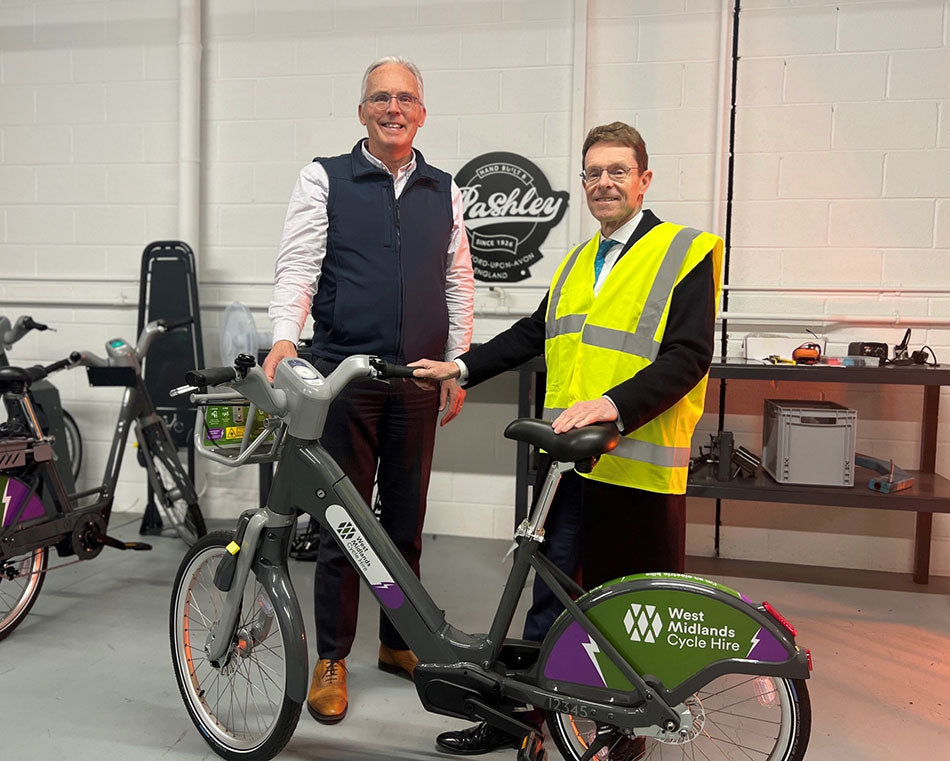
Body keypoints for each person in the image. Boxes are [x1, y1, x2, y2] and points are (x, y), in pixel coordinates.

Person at [410, 121, 723, 754]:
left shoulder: (686, 251)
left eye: (617, 171)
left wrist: (611, 404)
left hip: (633, 464)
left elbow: (688, 356)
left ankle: (621, 731)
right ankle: (523, 720)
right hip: (567, 464)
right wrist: (462, 366)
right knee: (547, 601)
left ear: (644, 179)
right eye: (592, 173)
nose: (603, 183)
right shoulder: (583, 258)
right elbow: (534, 335)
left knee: (624, 615)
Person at [263, 56, 474, 725]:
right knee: (341, 525)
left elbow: (456, 278)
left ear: (421, 112)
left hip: (415, 380)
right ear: (362, 112)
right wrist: (283, 337)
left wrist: (458, 360)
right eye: (380, 97)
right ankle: (331, 657)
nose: (393, 108)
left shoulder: (445, 187)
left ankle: (396, 639)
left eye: (406, 97)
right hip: (343, 380)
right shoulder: (324, 177)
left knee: (405, 522)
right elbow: (299, 264)